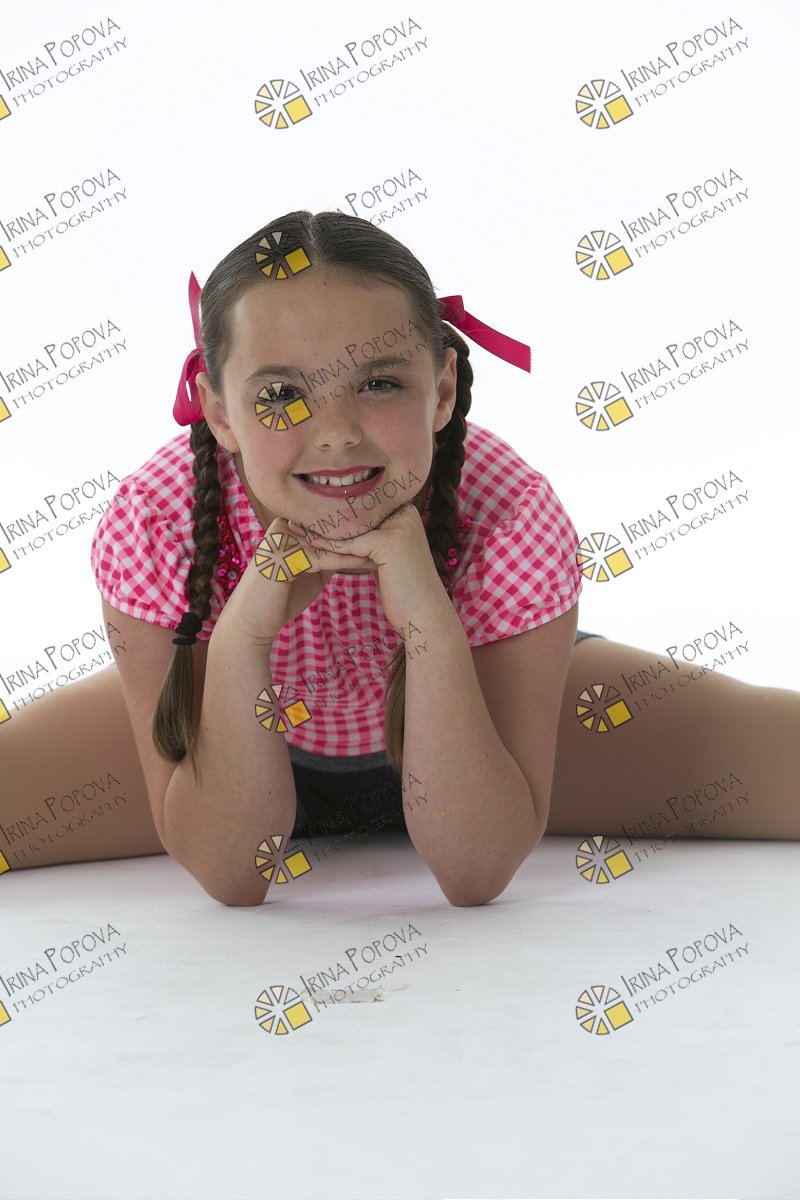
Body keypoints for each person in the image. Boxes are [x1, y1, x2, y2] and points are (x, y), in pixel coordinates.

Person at [2, 211, 797, 905]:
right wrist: (245, 633)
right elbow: (233, 875)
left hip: (481, 728)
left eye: (379, 383)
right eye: (280, 395)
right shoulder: (158, 520)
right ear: (219, 410)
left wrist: (428, 620)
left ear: (442, 389)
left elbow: (477, 872)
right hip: (226, 738)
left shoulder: (509, 509)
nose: (336, 433)